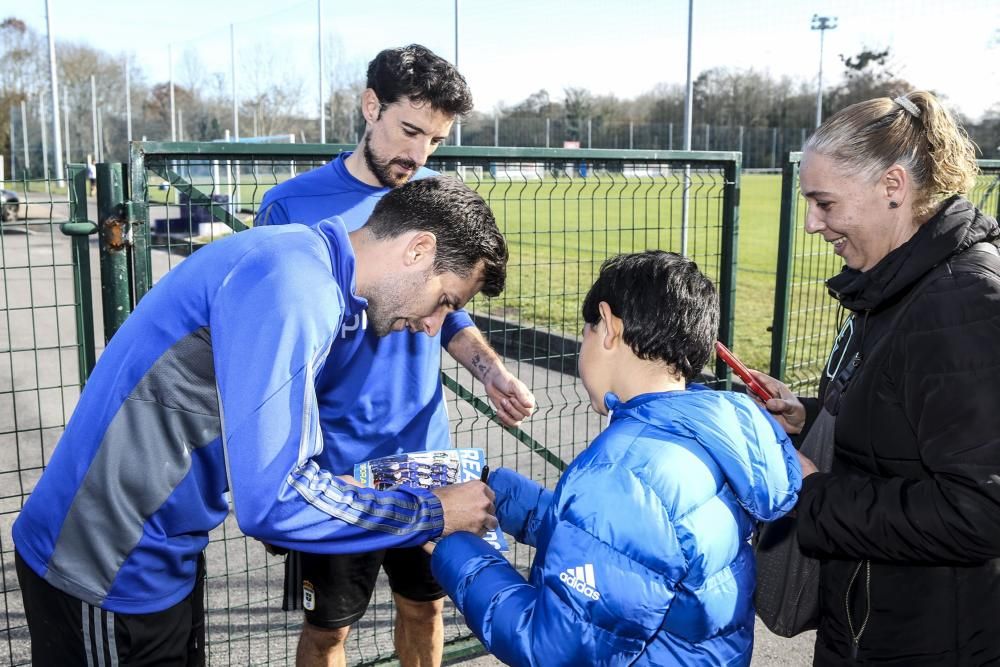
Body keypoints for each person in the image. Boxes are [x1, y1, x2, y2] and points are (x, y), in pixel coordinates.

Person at [12, 176, 507, 666]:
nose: (433, 325)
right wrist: (431, 511)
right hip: (104, 562)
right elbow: (274, 501)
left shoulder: (307, 265)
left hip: (163, 553)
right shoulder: (295, 286)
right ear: (418, 249)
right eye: (446, 301)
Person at [257, 44, 535, 667]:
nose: (418, 155)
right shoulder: (290, 206)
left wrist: (489, 369)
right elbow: (271, 340)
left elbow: (451, 309)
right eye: (410, 130)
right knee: (329, 629)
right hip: (337, 468)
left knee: (425, 607)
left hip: (425, 457)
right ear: (370, 106)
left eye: (434, 140)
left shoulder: (436, 199)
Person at [428, 250, 802, 666]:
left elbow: (553, 651)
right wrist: (504, 495)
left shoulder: (621, 472)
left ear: (607, 325)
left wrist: (454, 545)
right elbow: (630, 547)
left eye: (585, 331)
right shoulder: (706, 429)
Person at [748, 91, 1000, 665]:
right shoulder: (899, 282)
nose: (812, 224)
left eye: (825, 203)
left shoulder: (962, 301)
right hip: (873, 623)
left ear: (893, 186)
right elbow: (910, 418)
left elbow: (983, 509)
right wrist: (811, 415)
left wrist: (816, 494)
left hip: (928, 643)